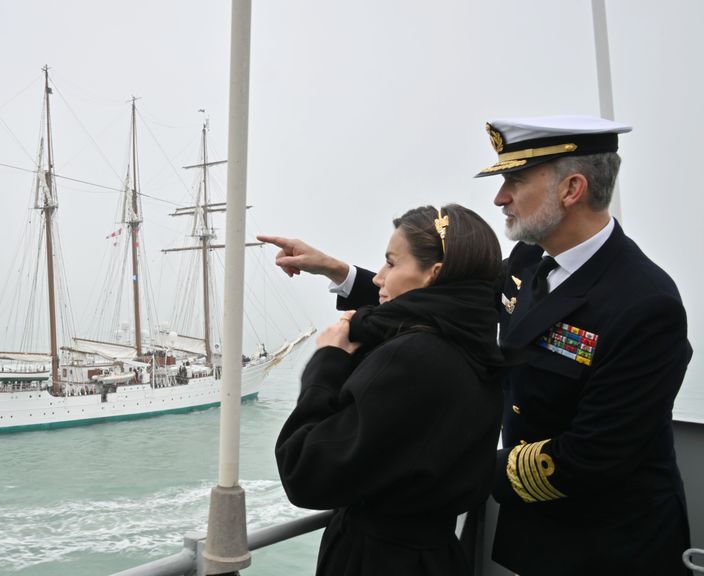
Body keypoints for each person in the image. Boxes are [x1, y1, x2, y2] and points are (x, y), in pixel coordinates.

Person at [262, 115, 692, 575]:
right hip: (534, 533)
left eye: (515, 180)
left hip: (612, 545)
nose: (499, 197)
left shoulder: (644, 304)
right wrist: (336, 271)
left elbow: (593, 457)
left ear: (572, 189)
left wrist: (442, 466)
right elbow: (449, 300)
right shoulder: (528, 263)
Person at [274, 204, 505, 575]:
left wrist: (327, 362)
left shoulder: (410, 359)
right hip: (438, 556)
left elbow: (304, 472)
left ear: (434, 275)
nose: (379, 278)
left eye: (391, 263)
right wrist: (336, 270)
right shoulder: (476, 346)